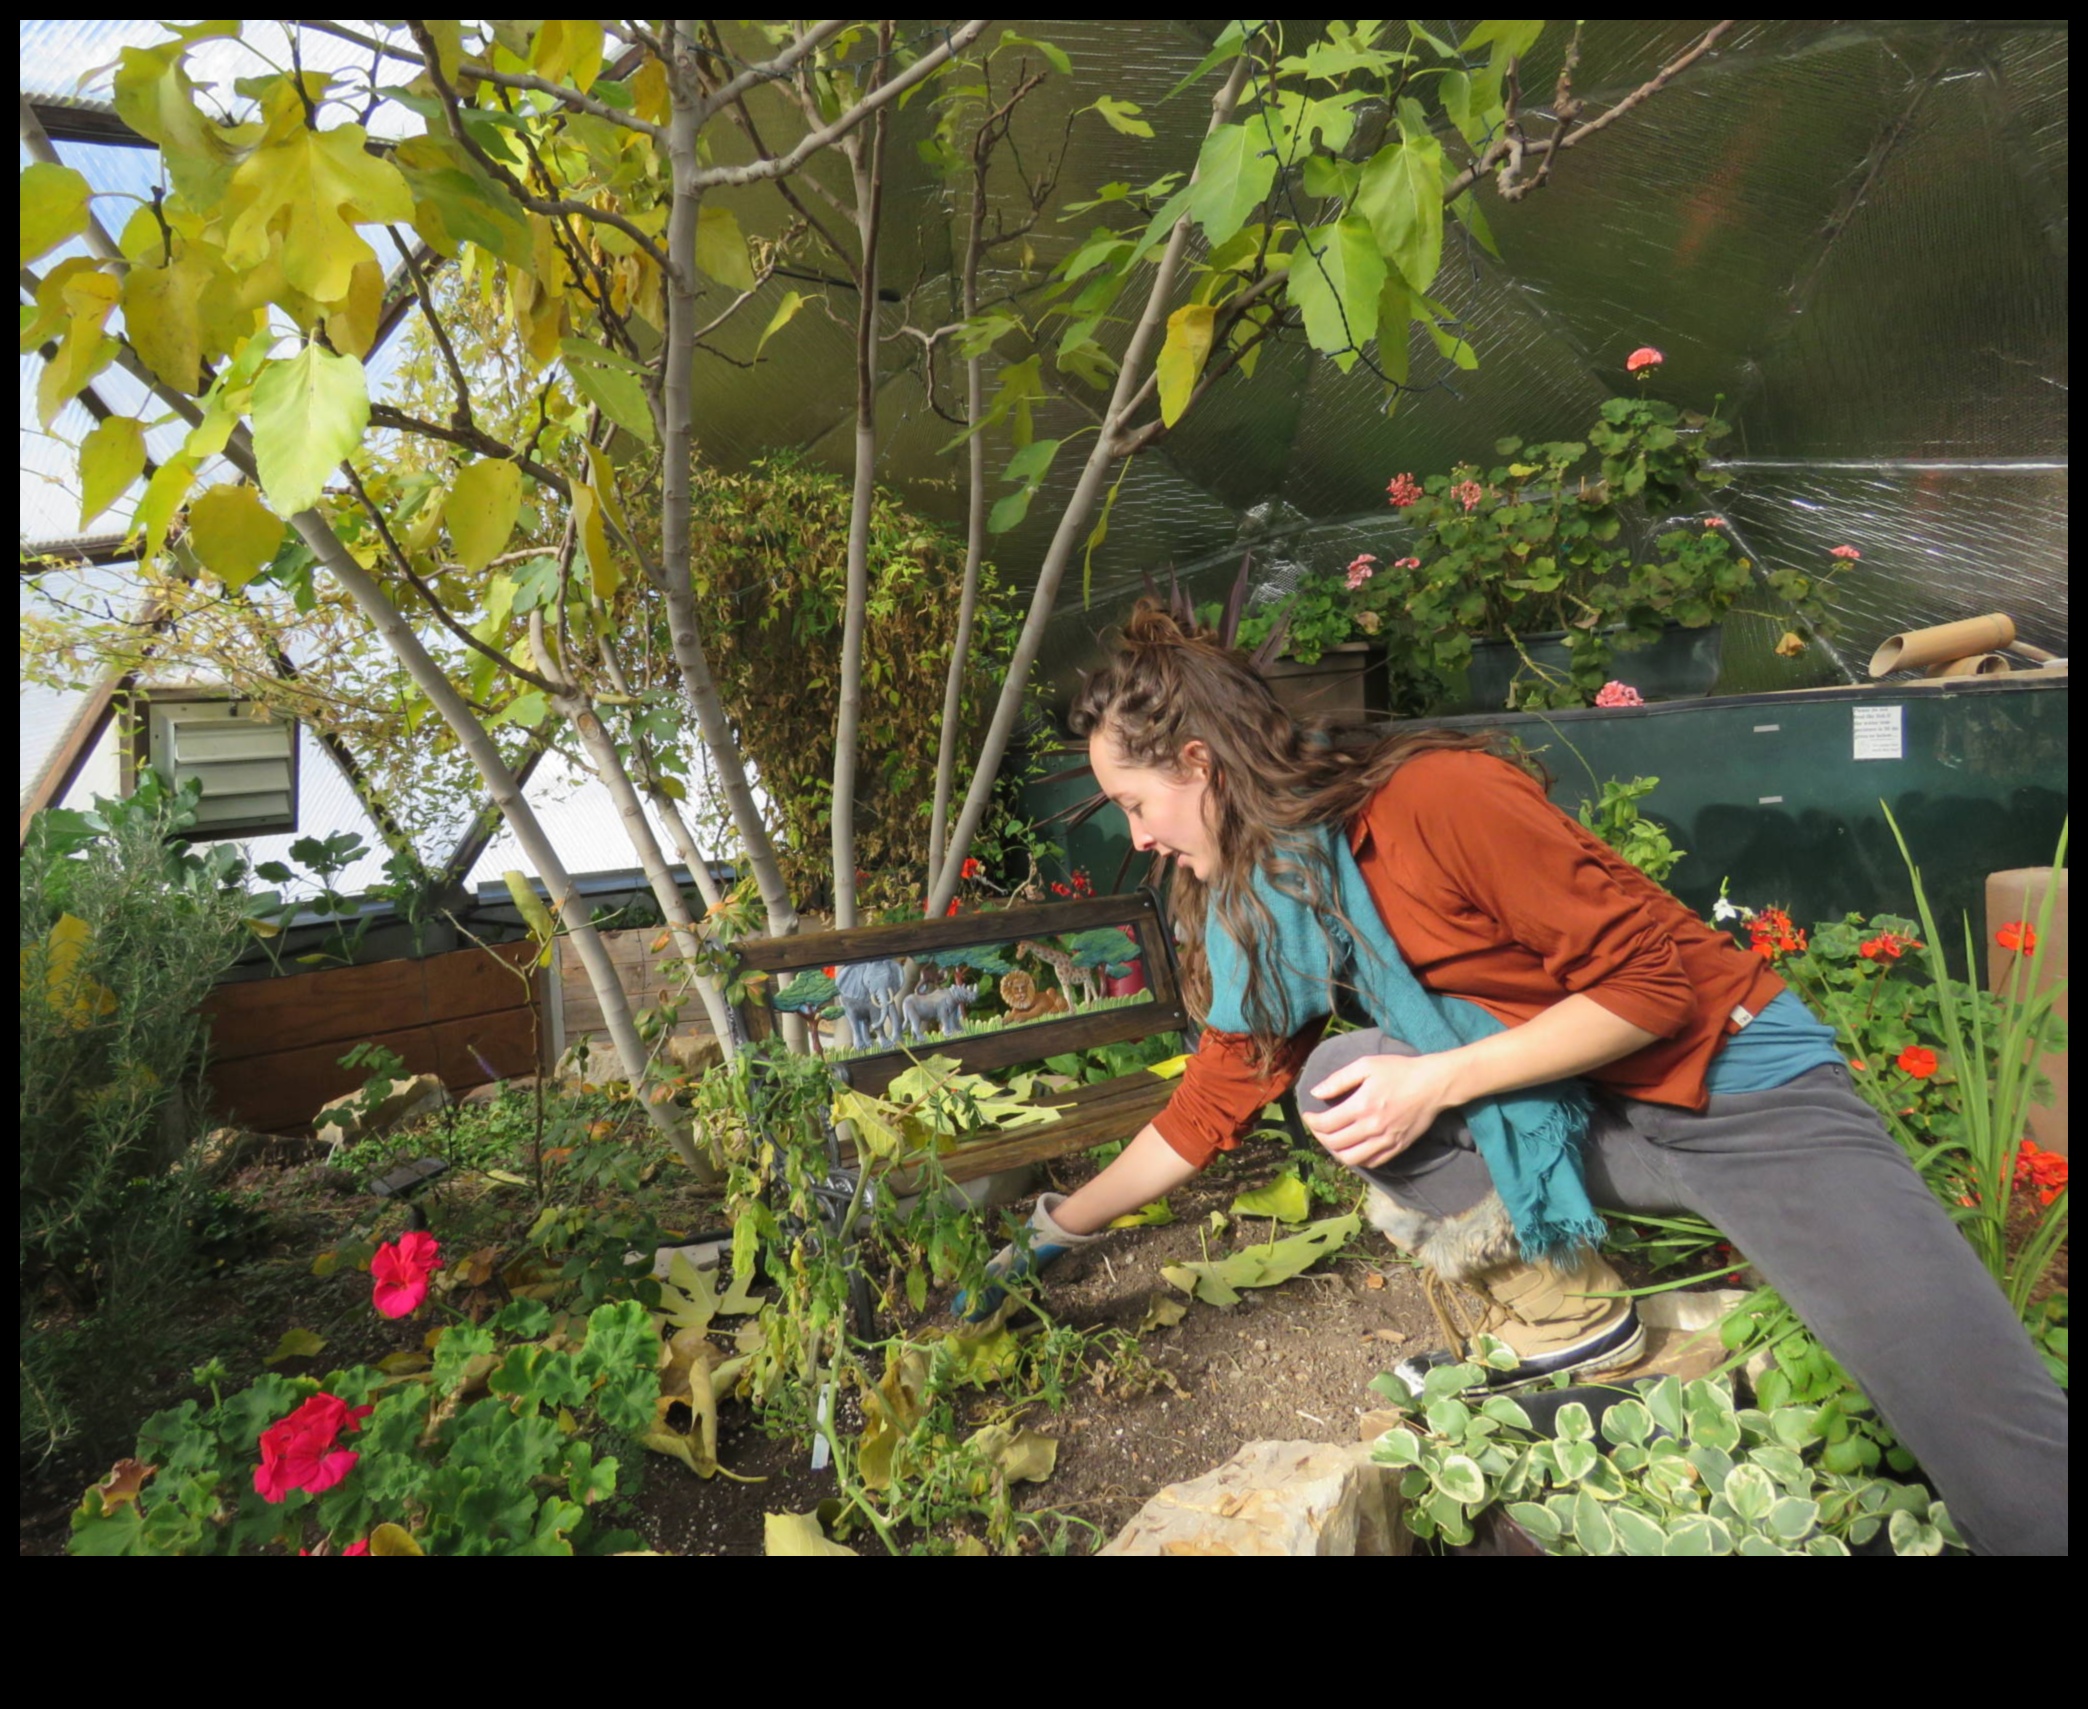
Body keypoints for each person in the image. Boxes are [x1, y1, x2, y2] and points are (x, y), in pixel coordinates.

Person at [964, 602, 2067, 1555]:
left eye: (1135, 802)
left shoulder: (1437, 802)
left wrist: (1440, 1079)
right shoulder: (1283, 894)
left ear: (1198, 764)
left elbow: (1651, 989)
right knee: (1347, 1072)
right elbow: (1216, 1093)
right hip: (1598, 1114)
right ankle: (1568, 1315)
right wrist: (1058, 1226)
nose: (1136, 834)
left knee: (1986, 1436)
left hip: (1742, 1095)